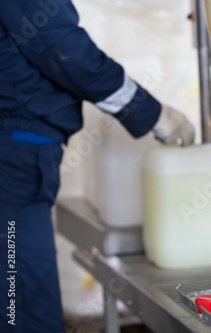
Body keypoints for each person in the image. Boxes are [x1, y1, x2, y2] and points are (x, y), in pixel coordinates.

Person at [0, 1, 195, 331]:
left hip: (19, 145)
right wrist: (150, 112)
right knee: (22, 299)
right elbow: (65, 51)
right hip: (15, 151)